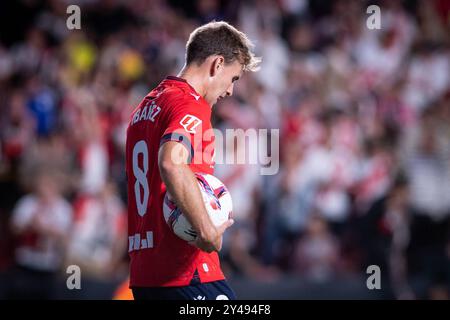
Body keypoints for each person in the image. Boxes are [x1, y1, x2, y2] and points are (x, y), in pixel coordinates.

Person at [125, 21, 261, 300]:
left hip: (145, 275)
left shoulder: (146, 106)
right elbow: (171, 162)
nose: (230, 91)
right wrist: (207, 230)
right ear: (217, 65)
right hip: (186, 272)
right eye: (233, 78)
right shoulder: (190, 104)